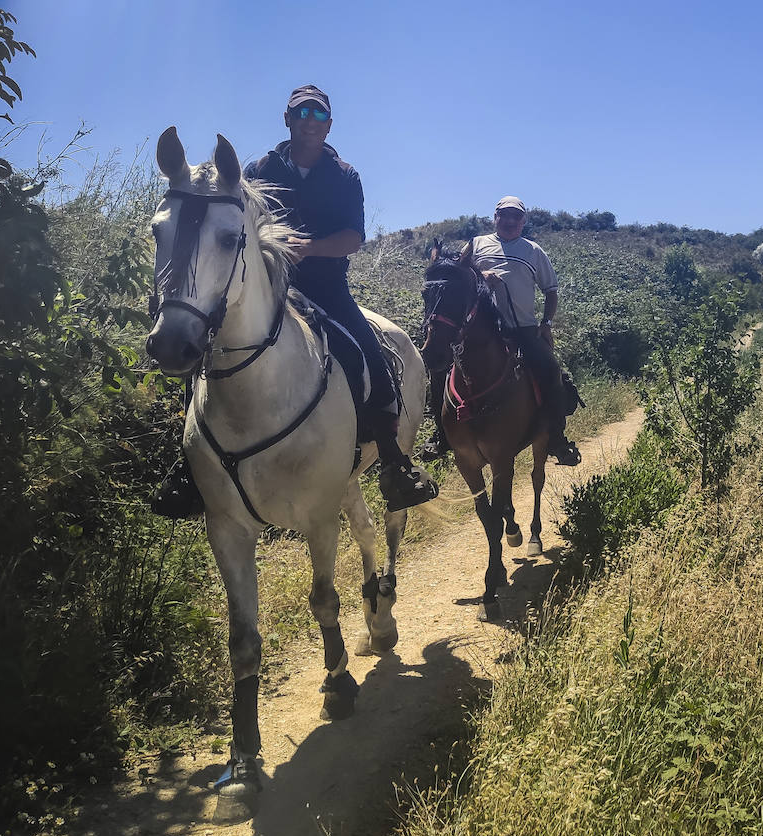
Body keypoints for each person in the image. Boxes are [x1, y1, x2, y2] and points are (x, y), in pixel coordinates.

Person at [151, 85, 437, 517]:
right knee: (208, 354)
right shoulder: (258, 170)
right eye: (301, 112)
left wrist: (310, 248)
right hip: (267, 286)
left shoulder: (344, 175)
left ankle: (394, 462)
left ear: (329, 125)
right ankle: (189, 466)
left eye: (318, 115)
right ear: (287, 119)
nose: (309, 121)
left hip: (327, 288)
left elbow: (353, 237)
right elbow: (239, 227)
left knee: (367, 354)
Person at [423, 196, 581, 466]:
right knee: (439, 371)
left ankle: (556, 437)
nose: (509, 221)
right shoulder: (476, 244)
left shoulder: (533, 251)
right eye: (504, 215)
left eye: (515, 216)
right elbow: (458, 275)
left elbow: (551, 291)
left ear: (523, 221)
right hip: (478, 330)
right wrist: (481, 276)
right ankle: (442, 436)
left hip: (522, 329)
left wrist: (546, 324)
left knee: (550, 369)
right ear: (495, 218)